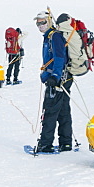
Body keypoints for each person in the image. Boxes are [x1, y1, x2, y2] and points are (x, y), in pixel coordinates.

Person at [35, 11, 73, 153]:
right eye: (38, 23)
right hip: (63, 78)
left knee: (50, 111)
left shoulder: (54, 36)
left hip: (58, 80)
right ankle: (66, 143)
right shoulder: (50, 36)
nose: (40, 25)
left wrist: (55, 77)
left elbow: (59, 57)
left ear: (50, 21)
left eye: (43, 22)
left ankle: (46, 144)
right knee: (63, 111)